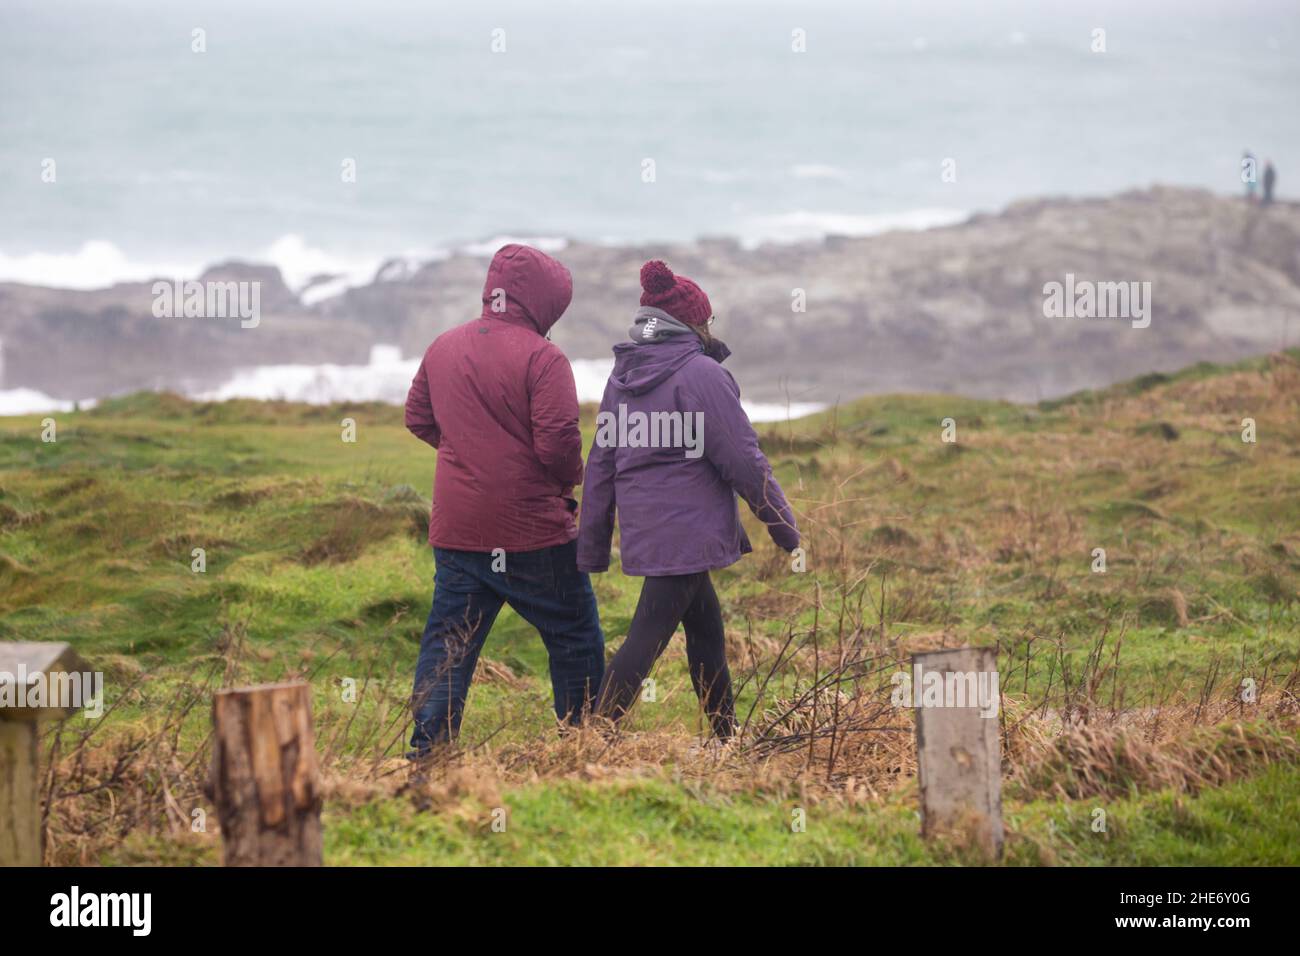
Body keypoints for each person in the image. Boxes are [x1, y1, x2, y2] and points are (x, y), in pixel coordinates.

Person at [577, 260, 799, 739]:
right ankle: (594, 739)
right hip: (687, 533)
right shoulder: (702, 376)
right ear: (694, 324)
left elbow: (600, 464)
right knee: (647, 637)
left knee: (706, 631)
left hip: (652, 532)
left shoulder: (621, 379)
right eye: (708, 321)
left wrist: (592, 545)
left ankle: (725, 737)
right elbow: (744, 461)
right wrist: (784, 526)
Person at [404, 244, 605, 755]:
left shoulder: (443, 345)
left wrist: (466, 456)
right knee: (574, 634)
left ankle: (429, 751)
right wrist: (569, 481)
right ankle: (582, 742)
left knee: (448, 643)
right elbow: (558, 443)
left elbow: (418, 418)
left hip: (459, 529)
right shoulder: (544, 357)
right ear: (543, 301)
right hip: (531, 530)